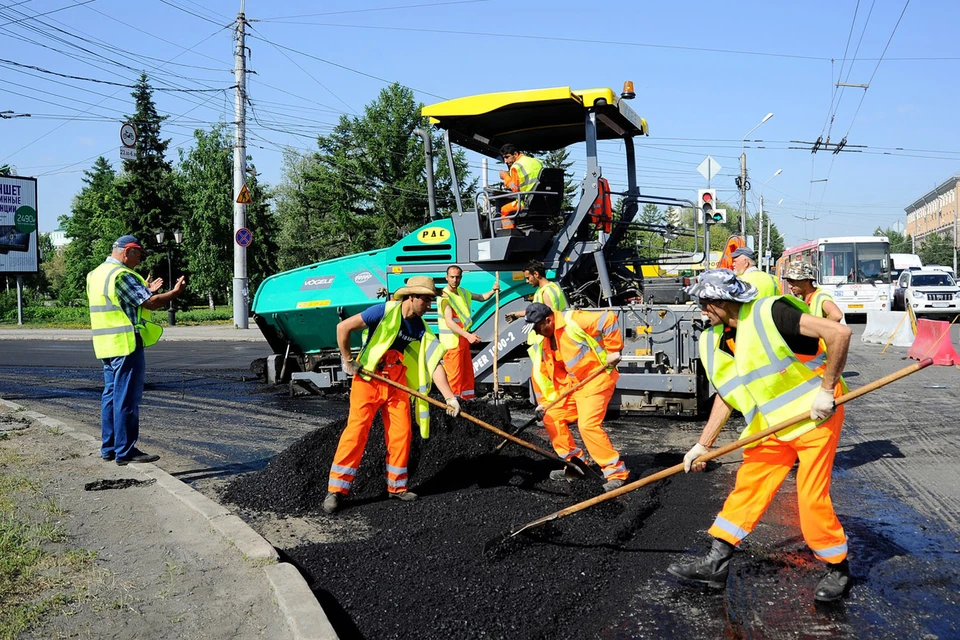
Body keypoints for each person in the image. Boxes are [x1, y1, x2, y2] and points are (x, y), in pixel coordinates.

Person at [667, 269, 853, 603]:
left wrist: (826, 391)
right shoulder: (713, 338)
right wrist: (702, 444)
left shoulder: (771, 313)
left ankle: (837, 568)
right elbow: (727, 393)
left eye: (705, 302)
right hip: (771, 425)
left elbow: (839, 333)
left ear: (724, 301)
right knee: (748, 487)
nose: (701, 310)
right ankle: (716, 564)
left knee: (810, 498)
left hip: (814, 417)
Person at [324, 276, 461, 515]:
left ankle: (396, 487)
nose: (429, 305)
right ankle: (336, 491)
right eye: (426, 300)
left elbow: (434, 362)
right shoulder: (383, 311)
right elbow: (342, 327)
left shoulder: (420, 327)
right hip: (368, 378)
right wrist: (347, 360)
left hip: (397, 382)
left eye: (431, 301)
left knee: (401, 433)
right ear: (411, 297)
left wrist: (449, 397)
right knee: (356, 432)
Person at [86, 235, 186, 465]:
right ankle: (125, 451)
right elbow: (149, 303)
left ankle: (109, 448)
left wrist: (146, 289)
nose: (139, 261)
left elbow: (120, 301)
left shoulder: (96, 274)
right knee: (127, 399)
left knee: (110, 397)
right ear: (127, 251)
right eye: (139, 255)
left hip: (105, 345)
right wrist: (174, 293)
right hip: (125, 344)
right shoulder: (121, 274)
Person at [524, 302, 629, 493]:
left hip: (596, 379)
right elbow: (546, 377)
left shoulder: (573, 321)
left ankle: (616, 473)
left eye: (538, 327)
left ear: (548, 319)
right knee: (551, 417)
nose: (537, 333)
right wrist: (544, 405)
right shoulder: (546, 342)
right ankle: (575, 465)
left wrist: (614, 350)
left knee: (587, 425)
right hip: (575, 388)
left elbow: (608, 318)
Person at [438, 265, 499, 400]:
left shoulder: (463, 292)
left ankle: (467, 401)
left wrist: (493, 291)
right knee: (455, 376)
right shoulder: (444, 297)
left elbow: (481, 297)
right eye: (452, 277)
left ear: (461, 278)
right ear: (446, 277)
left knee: (466, 374)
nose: (455, 280)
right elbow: (449, 322)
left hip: (463, 340)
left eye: (457, 277)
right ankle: (454, 404)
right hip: (452, 343)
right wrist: (468, 335)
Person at [497, 143, 543, 232]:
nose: (505, 161)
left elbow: (515, 189)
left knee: (504, 210)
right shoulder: (537, 161)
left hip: (527, 202)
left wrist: (505, 177)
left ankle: (509, 233)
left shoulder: (516, 167)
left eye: (507, 157)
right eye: (504, 158)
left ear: (515, 154)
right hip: (542, 200)